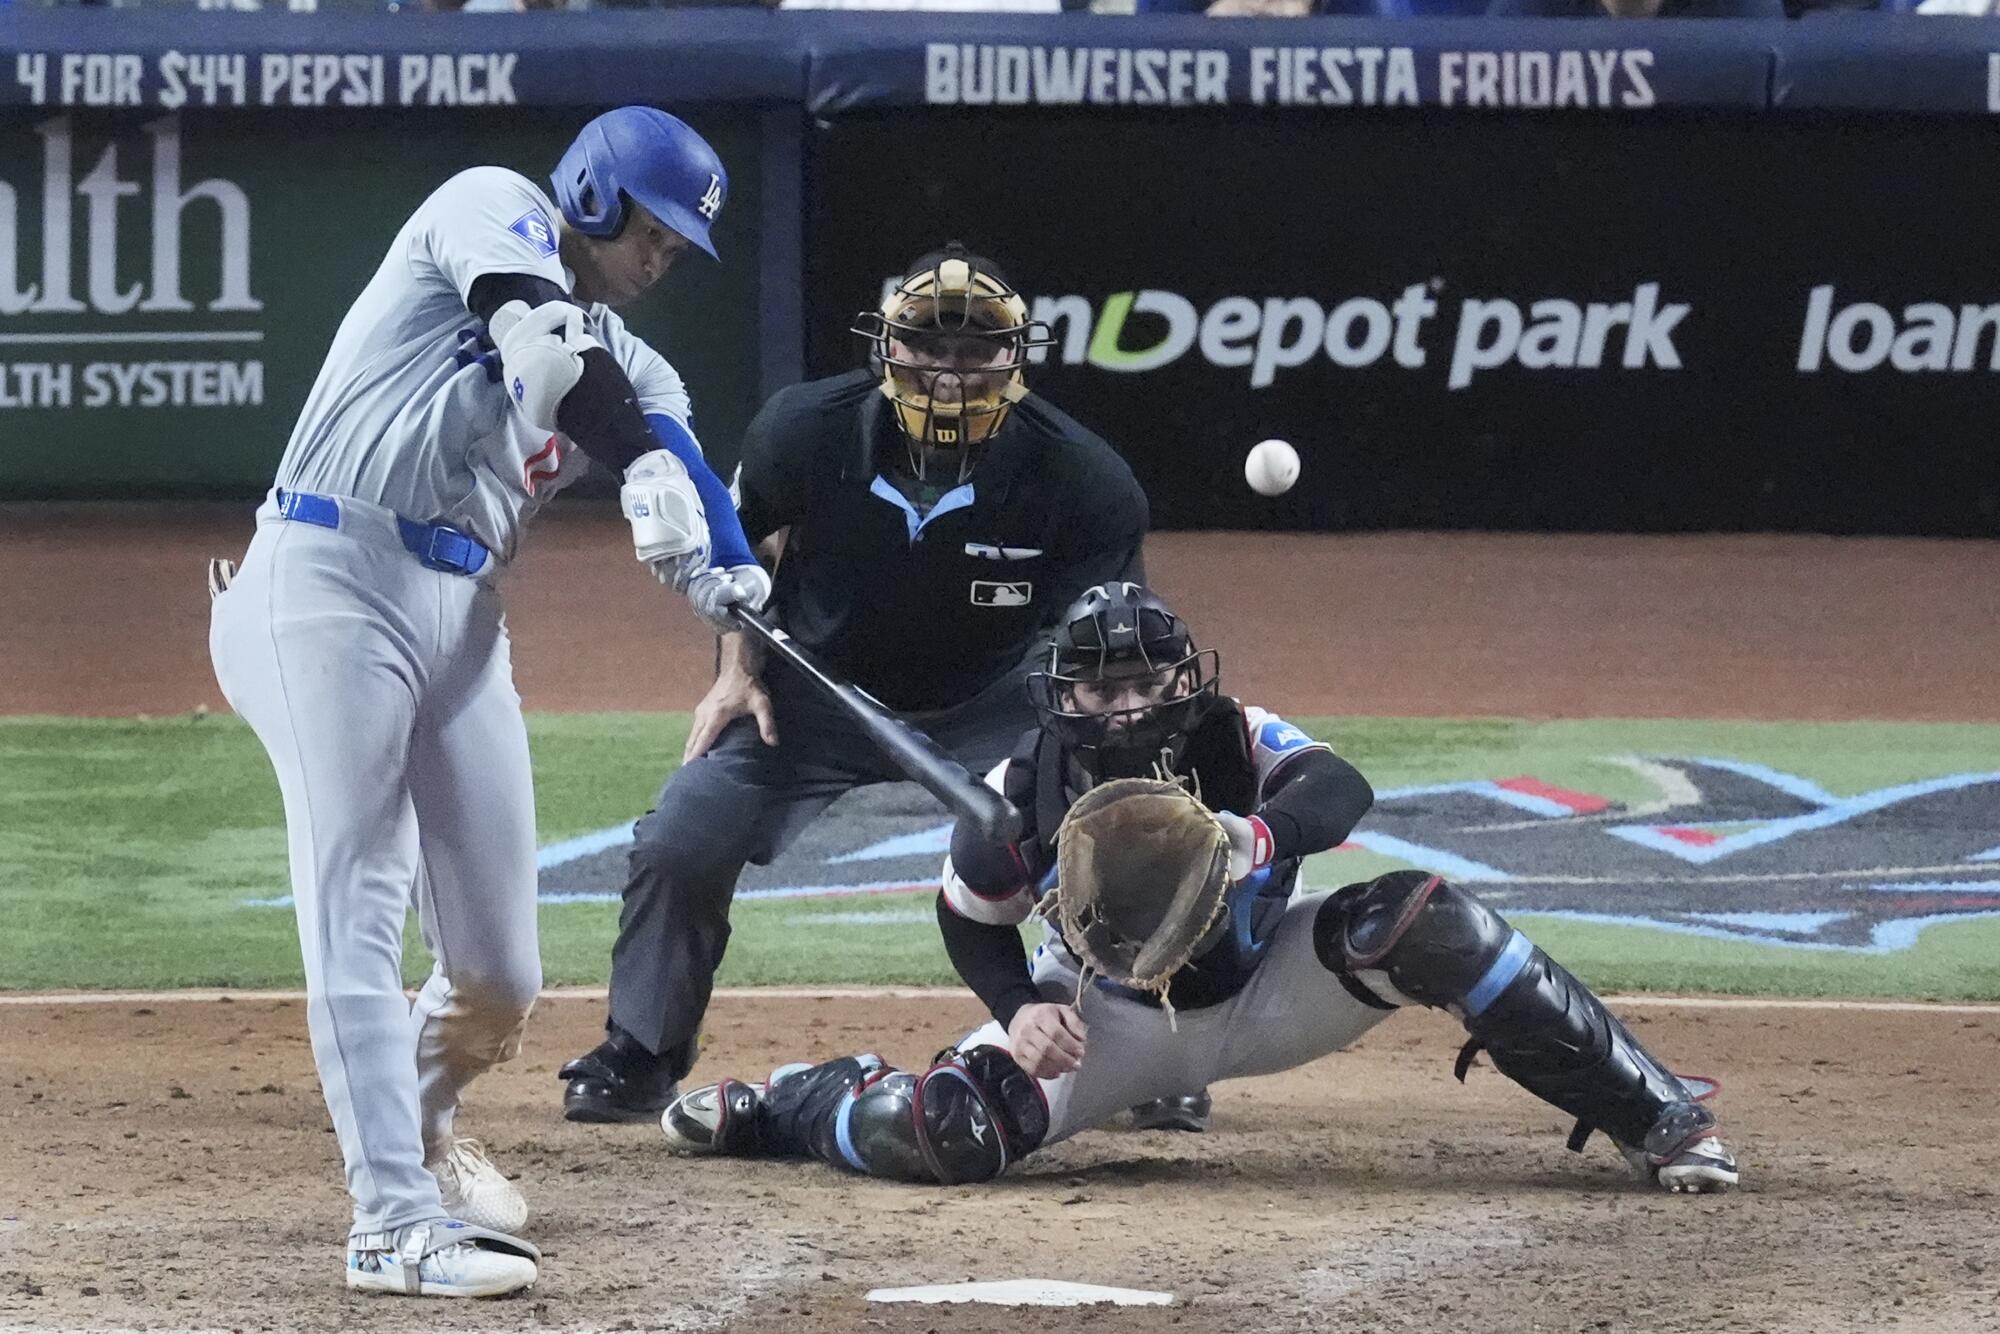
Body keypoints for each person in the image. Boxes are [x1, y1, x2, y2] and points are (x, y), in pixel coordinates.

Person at [208, 107, 767, 1299]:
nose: (666, 257)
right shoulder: (488, 205)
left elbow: (670, 443)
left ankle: (417, 1129)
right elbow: (547, 348)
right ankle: (390, 1221)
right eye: (656, 228)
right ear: (598, 196)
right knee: (356, 889)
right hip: (323, 574)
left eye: (684, 245)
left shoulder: (637, 361)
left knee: (499, 973)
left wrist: (728, 567)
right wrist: (647, 469)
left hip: (461, 618)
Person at [653, 584, 1742, 1196]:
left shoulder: (1235, 734)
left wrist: (1261, 830)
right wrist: (1016, 1008)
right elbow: (967, 918)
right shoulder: (1014, 794)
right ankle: (793, 1099)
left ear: (1183, 679)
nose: (1125, 703)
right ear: (1061, 693)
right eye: (1099, 684)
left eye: (1144, 680)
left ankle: (1656, 1118)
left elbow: (1342, 787)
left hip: (1269, 992)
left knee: (1424, 916)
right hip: (1104, 1023)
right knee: (939, 1130)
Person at [557, 244, 1151, 1125]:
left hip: (992, 705)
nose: (950, 371)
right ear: (888, 347)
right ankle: (642, 1051)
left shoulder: (1082, 475)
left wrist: (1072, 757)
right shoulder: (803, 428)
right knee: (683, 836)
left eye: (976, 349)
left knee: (1113, 832)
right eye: (928, 345)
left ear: (1016, 356)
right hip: (816, 692)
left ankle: (1149, 1052)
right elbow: (740, 556)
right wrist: (734, 676)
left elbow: (1096, 641)